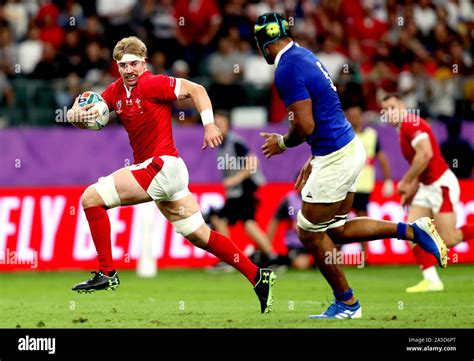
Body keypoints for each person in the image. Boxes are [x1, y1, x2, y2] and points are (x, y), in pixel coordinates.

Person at [255, 12, 447, 319]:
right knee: (337, 229)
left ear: (263, 44)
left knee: (308, 232)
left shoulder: (287, 68)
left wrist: (282, 143)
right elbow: (325, 113)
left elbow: (304, 125)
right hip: (346, 147)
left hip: (336, 155)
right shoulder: (304, 56)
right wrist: (314, 155)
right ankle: (412, 230)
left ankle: (347, 303)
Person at [66, 36, 276, 314]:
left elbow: (197, 90)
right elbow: (86, 117)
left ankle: (107, 272)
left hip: (162, 165)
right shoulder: (114, 92)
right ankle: (257, 276)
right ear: (116, 67)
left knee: (90, 198)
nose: (128, 70)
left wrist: (209, 125)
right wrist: (74, 116)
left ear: (144, 63)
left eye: (133, 64)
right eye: (122, 65)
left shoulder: (153, 83)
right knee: (200, 235)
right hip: (165, 174)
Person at [380, 94, 474, 293]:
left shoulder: (410, 123)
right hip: (427, 186)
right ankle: (431, 280)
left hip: (440, 185)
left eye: (392, 107)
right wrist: (412, 189)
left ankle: (432, 280)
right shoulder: (403, 128)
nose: (389, 113)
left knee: (449, 239)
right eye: (385, 110)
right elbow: (422, 163)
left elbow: (426, 154)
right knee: (411, 230)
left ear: (403, 106)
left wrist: (405, 181)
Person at [209, 110, 279, 268]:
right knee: (248, 224)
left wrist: (235, 179)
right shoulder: (223, 144)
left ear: (228, 126)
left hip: (244, 189)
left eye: (220, 125)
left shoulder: (235, 142)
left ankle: (228, 259)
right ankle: (272, 257)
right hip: (239, 191)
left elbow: (253, 162)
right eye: (215, 125)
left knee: (219, 219)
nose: (217, 128)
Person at [345, 105, 394, 217]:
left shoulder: (371, 135)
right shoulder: (344, 136)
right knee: (341, 218)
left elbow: (382, 158)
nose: (354, 119)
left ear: (361, 117)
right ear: (347, 117)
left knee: (362, 216)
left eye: (356, 116)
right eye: (351, 116)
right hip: (346, 184)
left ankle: (360, 235)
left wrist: (388, 180)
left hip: (364, 185)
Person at [266, 188, 313, 270]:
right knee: (302, 264)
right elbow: (275, 221)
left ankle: (279, 261)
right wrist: (268, 247)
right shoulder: (289, 200)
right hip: (297, 245)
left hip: (315, 241)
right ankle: (280, 260)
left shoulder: (317, 199)